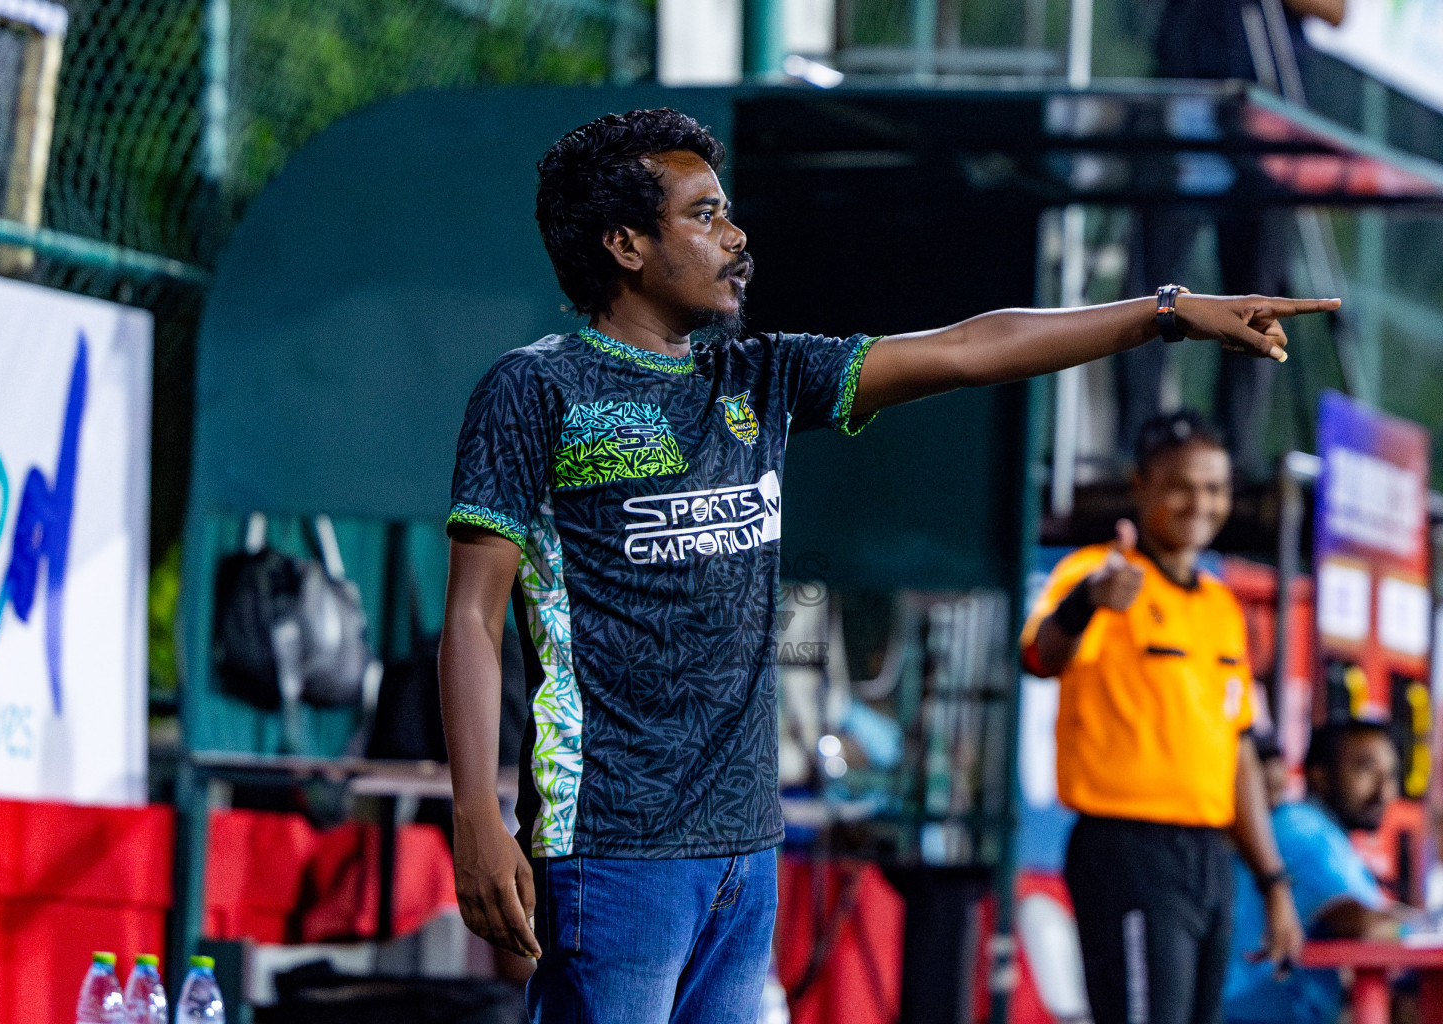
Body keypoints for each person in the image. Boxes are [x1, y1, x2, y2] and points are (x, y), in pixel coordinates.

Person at [439, 107, 1336, 1024]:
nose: (737, 236)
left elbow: (968, 348)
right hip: (613, 842)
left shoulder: (762, 380)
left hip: (745, 849)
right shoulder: (535, 390)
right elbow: (472, 615)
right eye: (704, 215)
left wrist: (1167, 314)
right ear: (625, 244)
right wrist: (475, 811)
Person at [1021, 411, 1302, 1024]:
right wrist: (1089, 601)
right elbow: (1042, 656)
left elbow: (1239, 753)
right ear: (1141, 484)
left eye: (1215, 488)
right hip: (1126, 849)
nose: (1200, 503)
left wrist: (1274, 882)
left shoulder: (1224, 608)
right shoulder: (1098, 573)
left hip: (1209, 859)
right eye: (1182, 485)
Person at [1118, 0, 1347, 475]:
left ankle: (1234, 458)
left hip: (1266, 107)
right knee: (1151, 288)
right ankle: (1135, 451)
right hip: (1186, 93)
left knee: (1258, 296)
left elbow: (1336, 10)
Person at [1224, 720, 1418, 1024]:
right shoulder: (1305, 829)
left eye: (1391, 775)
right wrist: (1427, 924)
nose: (1385, 791)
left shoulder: (1323, 832)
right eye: (1366, 770)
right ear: (1319, 776)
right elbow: (1362, 923)